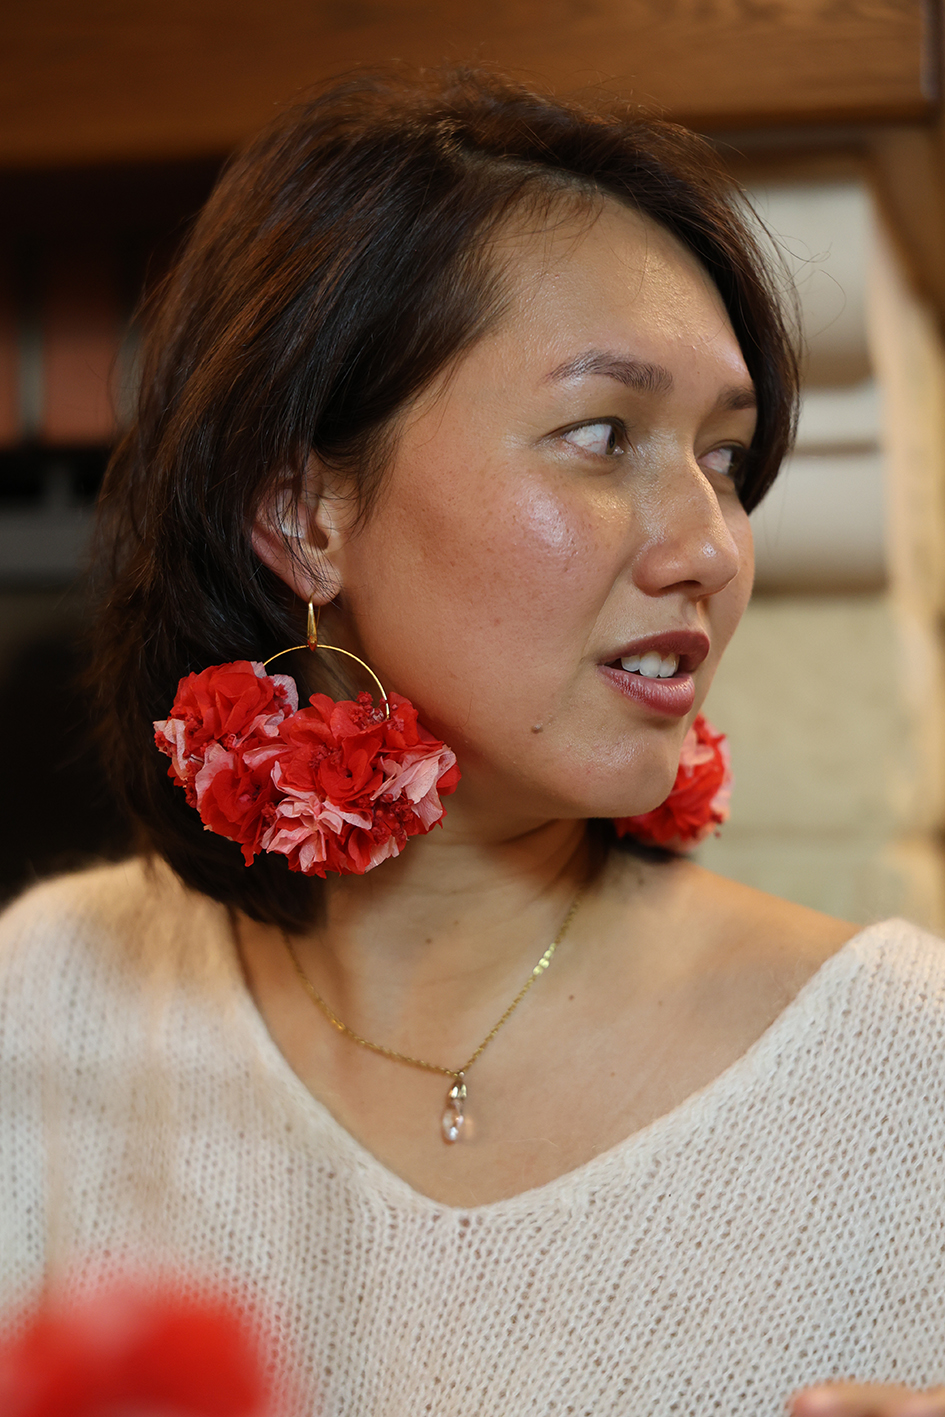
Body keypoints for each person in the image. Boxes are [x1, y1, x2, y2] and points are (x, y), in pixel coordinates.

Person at [2, 67, 944, 1417]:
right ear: (303, 516)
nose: (710, 547)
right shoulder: (48, 1000)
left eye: (726, 458)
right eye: (602, 434)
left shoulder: (906, 1073)